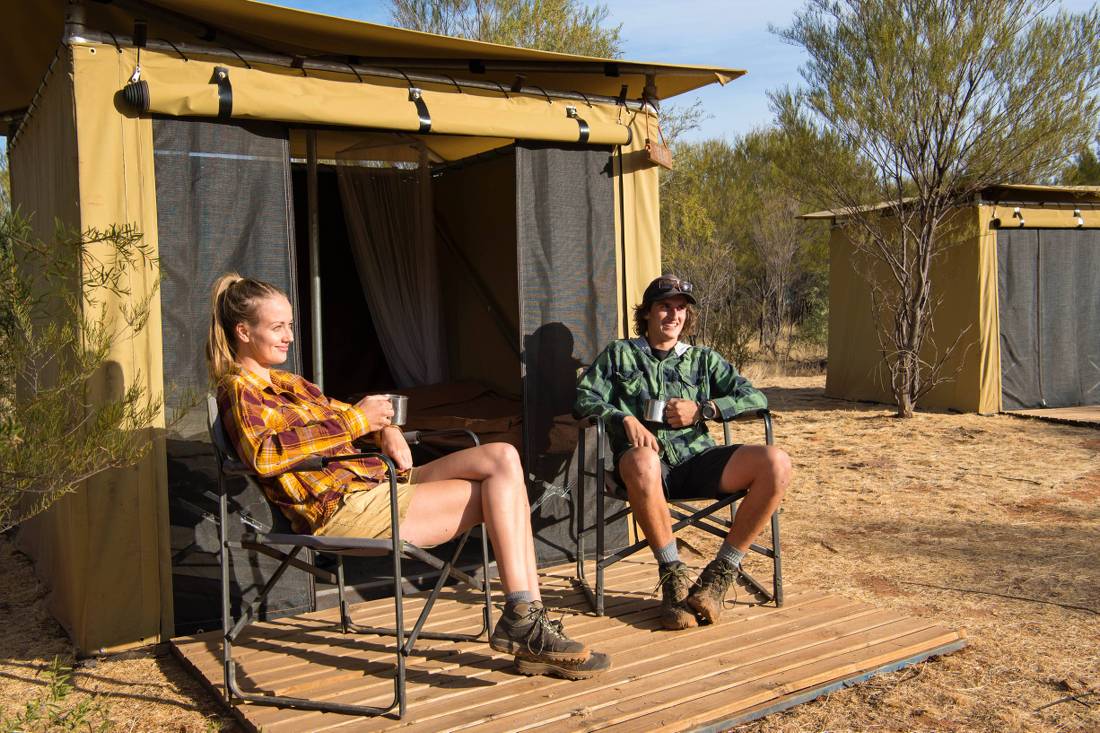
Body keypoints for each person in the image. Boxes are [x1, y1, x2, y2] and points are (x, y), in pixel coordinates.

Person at [205, 273, 609, 679]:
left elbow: (347, 416)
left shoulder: (292, 384)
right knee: (500, 492)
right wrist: (355, 421)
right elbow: (264, 452)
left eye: (290, 325)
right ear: (243, 331)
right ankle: (526, 625)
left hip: (376, 484)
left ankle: (525, 617)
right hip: (343, 509)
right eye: (278, 327)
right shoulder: (239, 391)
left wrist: (385, 429)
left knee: (503, 456)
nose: (289, 336)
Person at [575, 275, 791, 630]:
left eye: (680, 308)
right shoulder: (620, 354)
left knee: (777, 463)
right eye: (664, 306)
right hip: (645, 470)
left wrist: (704, 410)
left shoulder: (703, 360)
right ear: (646, 313)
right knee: (643, 459)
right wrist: (621, 416)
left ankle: (720, 575)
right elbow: (584, 398)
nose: (673, 315)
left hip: (697, 460)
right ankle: (673, 576)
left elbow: (756, 397)